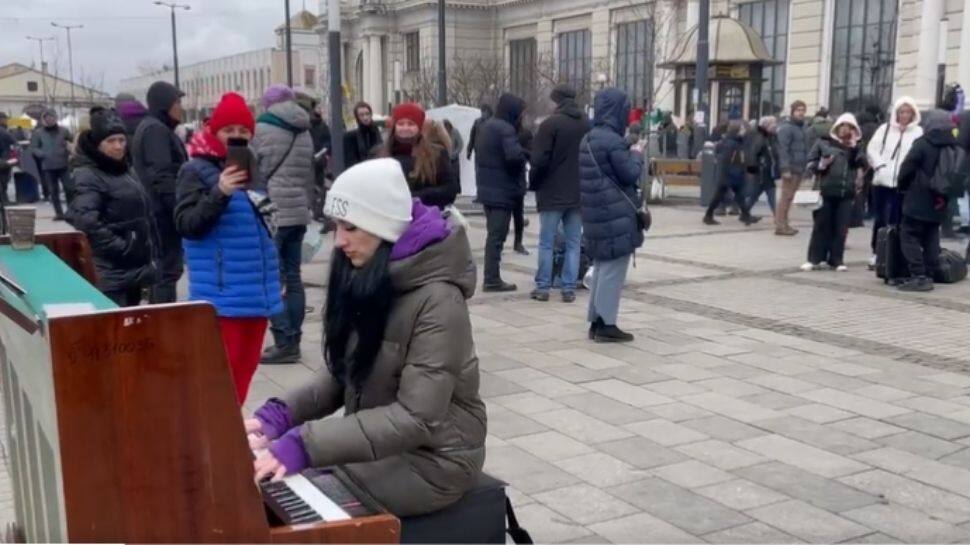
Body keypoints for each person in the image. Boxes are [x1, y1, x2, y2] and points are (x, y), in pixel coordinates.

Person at [246, 158, 486, 517]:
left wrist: (304, 445)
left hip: (437, 460)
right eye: (337, 226)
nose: (339, 241)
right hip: (385, 443)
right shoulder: (373, 271)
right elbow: (346, 371)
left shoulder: (439, 299)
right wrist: (280, 416)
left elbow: (417, 418)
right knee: (269, 492)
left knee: (297, 507)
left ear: (384, 227)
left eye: (351, 227)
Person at [173, 92, 283, 404]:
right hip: (222, 297)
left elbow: (262, 229)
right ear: (213, 130)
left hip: (256, 295)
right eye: (229, 130)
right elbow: (187, 224)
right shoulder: (194, 171)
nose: (236, 137)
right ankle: (215, 441)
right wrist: (219, 192)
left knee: (244, 376)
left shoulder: (254, 171)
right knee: (219, 381)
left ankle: (230, 437)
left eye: (243, 132)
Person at [67, 110, 158, 307]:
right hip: (112, 274)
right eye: (110, 141)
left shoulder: (124, 170)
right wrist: (124, 247)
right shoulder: (88, 174)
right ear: (97, 143)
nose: (118, 146)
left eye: (121, 140)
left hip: (134, 270)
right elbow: (86, 221)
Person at [251, 85, 315, 365]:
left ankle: (283, 341)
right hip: (299, 210)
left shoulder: (261, 129)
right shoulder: (305, 129)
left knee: (271, 279)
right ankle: (295, 338)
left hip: (272, 212)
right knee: (293, 275)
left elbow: (256, 170)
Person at [579, 88, 643, 343]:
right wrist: (637, 154)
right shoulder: (611, 140)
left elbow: (609, 159)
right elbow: (629, 173)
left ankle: (596, 320)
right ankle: (607, 324)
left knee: (602, 266)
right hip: (614, 212)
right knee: (613, 268)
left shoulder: (590, 137)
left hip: (596, 212)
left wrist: (625, 145)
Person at [529, 84, 590, 303]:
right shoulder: (586, 124)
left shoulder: (550, 125)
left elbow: (538, 160)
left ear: (557, 101)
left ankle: (544, 287)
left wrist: (534, 183)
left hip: (552, 192)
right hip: (578, 192)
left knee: (547, 241)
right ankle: (568, 288)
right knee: (574, 242)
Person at [132, 81, 188, 304]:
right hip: (161, 214)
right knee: (167, 270)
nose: (180, 107)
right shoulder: (155, 130)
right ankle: (165, 322)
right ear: (164, 105)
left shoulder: (154, 127)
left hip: (158, 211)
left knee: (165, 270)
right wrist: (179, 211)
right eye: (177, 102)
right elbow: (162, 176)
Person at [895, 110, 959, 292]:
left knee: (908, 235)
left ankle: (918, 276)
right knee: (931, 235)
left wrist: (902, 187)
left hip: (918, 197)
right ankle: (929, 274)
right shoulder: (953, 146)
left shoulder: (923, 144)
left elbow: (906, 169)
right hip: (940, 200)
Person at [474, 93, 527, 292]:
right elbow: (513, 158)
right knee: (497, 236)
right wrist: (525, 155)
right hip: (502, 191)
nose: (522, 117)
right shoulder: (506, 129)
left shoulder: (487, 126)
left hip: (488, 188)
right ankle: (492, 278)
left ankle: (491, 276)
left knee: (493, 235)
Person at [801, 113, 867, 272]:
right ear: (837, 127)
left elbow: (863, 165)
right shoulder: (824, 142)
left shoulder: (855, 148)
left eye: (850, 127)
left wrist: (859, 170)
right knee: (821, 225)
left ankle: (836, 259)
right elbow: (810, 163)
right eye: (843, 126)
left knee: (841, 227)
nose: (845, 129)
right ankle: (814, 258)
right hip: (825, 190)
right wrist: (822, 164)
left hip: (846, 192)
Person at [866, 97, 922, 269]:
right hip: (883, 181)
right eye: (901, 112)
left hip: (903, 183)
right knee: (881, 218)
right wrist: (880, 165)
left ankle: (896, 253)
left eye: (908, 112)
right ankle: (878, 252)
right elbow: (872, 149)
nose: (904, 116)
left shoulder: (918, 132)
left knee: (899, 219)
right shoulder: (884, 129)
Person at [380, 103, 457, 208]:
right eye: (401, 124)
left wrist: (416, 197)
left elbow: (449, 190)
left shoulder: (436, 154)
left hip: (426, 217)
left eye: (411, 124)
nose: (405, 128)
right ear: (394, 126)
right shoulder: (379, 154)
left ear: (419, 126)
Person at [703, 120, 760, 226]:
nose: (744, 131)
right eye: (742, 129)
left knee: (739, 196)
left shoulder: (736, 141)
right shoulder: (731, 144)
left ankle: (745, 215)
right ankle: (708, 215)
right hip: (729, 175)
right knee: (719, 197)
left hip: (733, 174)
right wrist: (728, 176)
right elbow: (726, 161)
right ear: (736, 131)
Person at [295, 92, 331, 224]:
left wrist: (322, 153)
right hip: (305, 162)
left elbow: (329, 142)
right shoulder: (301, 126)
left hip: (318, 161)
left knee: (319, 186)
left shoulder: (321, 125)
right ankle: (313, 208)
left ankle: (317, 210)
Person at [29, 109, 73, 219]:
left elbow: (72, 142)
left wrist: (69, 150)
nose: (49, 120)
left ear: (55, 118)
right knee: (53, 191)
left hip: (63, 164)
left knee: (69, 188)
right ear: (44, 120)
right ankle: (59, 213)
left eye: (51, 117)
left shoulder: (64, 131)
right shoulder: (38, 133)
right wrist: (41, 154)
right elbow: (33, 147)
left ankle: (72, 211)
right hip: (48, 166)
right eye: (47, 118)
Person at [775, 100, 810, 236]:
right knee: (786, 196)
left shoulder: (802, 127)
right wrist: (785, 169)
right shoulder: (787, 128)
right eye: (798, 110)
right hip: (791, 168)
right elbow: (783, 149)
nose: (801, 113)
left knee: (790, 197)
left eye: (803, 110)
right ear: (793, 112)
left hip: (799, 167)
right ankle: (780, 224)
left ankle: (784, 222)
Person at [744, 115, 780, 215]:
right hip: (761, 170)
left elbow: (774, 152)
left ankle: (745, 212)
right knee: (767, 192)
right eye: (773, 124)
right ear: (766, 125)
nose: (775, 126)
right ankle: (777, 216)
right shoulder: (759, 137)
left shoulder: (772, 137)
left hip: (768, 170)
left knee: (759, 193)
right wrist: (753, 170)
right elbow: (753, 153)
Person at [343, 101, 382, 169]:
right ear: (357, 117)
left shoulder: (375, 131)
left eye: (367, 114)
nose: (365, 118)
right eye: (361, 115)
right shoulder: (351, 135)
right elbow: (350, 160)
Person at [443, 119, 463, 191]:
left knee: (455, 174)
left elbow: (460, 145)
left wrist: (454, 154)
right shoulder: (442, 133)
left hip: (454, 158)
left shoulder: (455, 132)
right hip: (445, 158)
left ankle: (457, 190)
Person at [0, 114, 15, 204]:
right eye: (5, 119)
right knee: (4, 180)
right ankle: (4, 200)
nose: (6, 121)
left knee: (3, 181)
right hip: (4, 160)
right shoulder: (3, 131)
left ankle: (4, 200)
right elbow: (13, 141)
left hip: (4, 158)